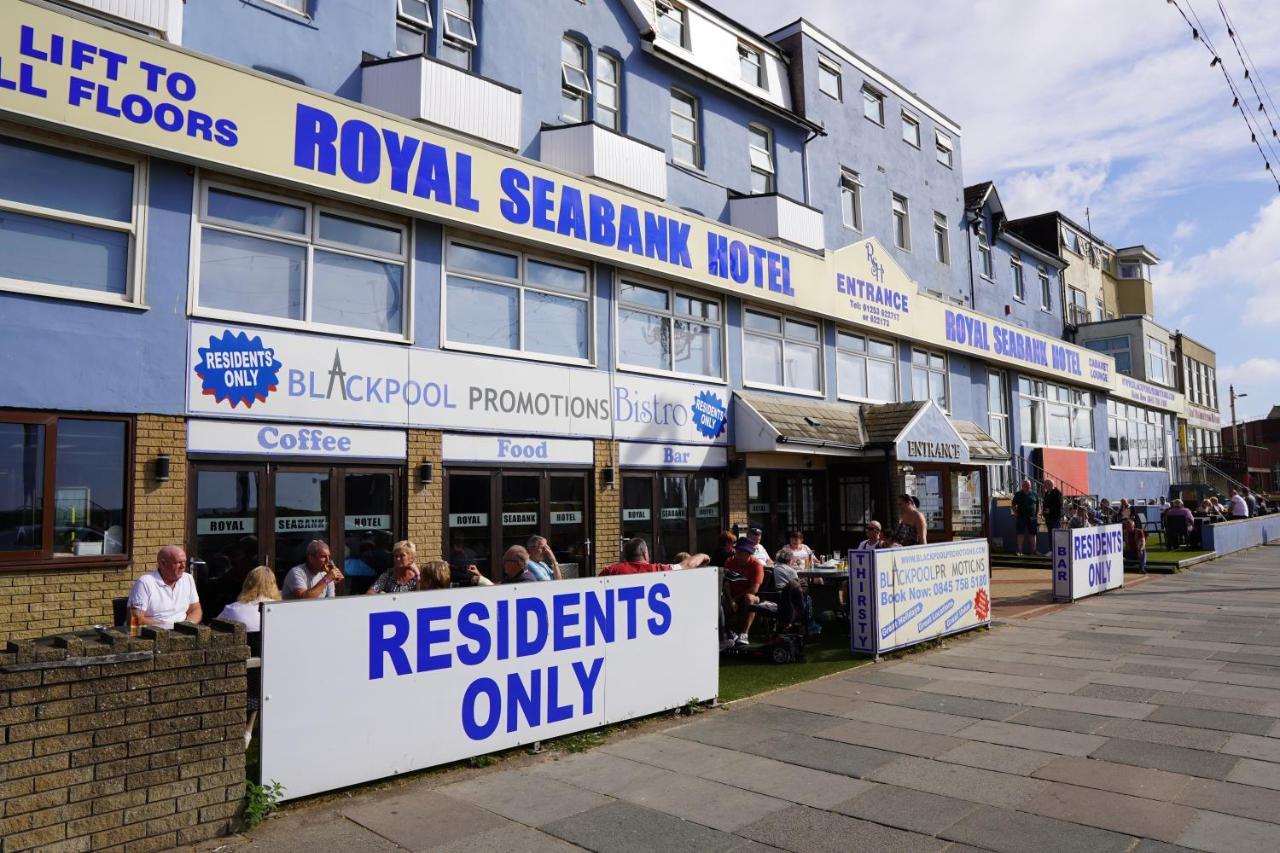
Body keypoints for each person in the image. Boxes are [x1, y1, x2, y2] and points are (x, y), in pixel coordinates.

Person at [215, 566, 280, 747]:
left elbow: (216, 629)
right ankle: (251, 730)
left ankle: (245, 732)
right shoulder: (279, 610)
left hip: (241, 672)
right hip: (271, 674)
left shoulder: (232, 609)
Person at [128, 545, 202, 629]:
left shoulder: (187, 578)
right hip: (152, 635)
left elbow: (195, 609)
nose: (183, 566)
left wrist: (187, 625)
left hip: (181, 633)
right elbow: (134, 619)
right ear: (163, 564)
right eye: (178, 562)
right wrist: (170, 626)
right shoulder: (144, 583)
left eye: (184, 562)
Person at [724, 537, 765, 647]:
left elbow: (754, 589)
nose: (737, 554)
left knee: (749, 598)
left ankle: (744, 634)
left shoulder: (757, 565)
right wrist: (731, 600)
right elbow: (726, 583)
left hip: (750, 596)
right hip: (731, 596)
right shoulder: (729, 561)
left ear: (748, 553)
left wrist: (735, 600)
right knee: (720, 601)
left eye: (741, 552)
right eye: (737, 551)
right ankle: (727, 632)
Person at [601, 537, 710, 575]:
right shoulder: (656, 570)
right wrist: (702, 555)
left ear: (625, 555)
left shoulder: (610, 571)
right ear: (644, 553)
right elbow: (686, 564)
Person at [1010, 480, 1039, 555]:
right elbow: (1013, 505)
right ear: (1022, 486)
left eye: (1029, 485)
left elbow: (1038, 506)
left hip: (1032, 518)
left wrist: (1037, 515)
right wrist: (1016, 513)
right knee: (1020, 533)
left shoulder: (1034, 494)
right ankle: (1019, 550)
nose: (1027, 487)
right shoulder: (1018, 494)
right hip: (1021, 517)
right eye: (1026, 485)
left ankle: (1034, 550)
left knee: (1032, 534)